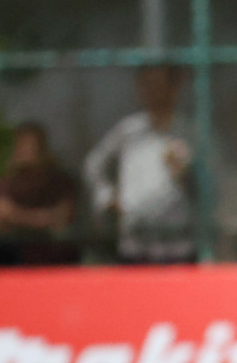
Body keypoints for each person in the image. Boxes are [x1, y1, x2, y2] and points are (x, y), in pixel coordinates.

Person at [83, 66, 196, 264]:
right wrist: (108, 197)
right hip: (135, 243)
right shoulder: (129, 130)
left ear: (174, 88)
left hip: (177, 243)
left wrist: (185, 173)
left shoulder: (189, 132)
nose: (153, 92)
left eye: (159, 85)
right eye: (147, 85)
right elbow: (94, 164)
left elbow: (211, 187)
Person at [0, 121, 79, 265]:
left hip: (55, 266)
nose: (25, 151)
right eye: (21, 145)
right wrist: (40, 219)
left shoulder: (60, 183)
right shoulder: (8, 183)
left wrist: (16, 216)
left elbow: (62, 220)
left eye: (31, 145)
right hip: (16, 265)